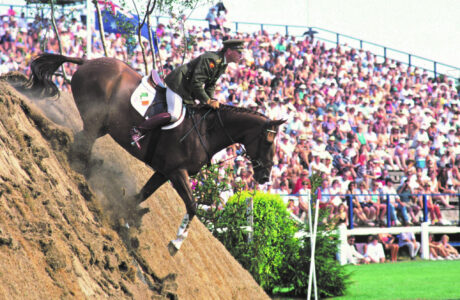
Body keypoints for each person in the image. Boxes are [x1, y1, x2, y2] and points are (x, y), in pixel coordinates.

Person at [130, 39, 245, 148]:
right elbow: (197, 82)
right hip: (178, 85)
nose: (241, 55)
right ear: (229, 51)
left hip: (187, 91)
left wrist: (212, 99)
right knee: (174, 114)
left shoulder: (222, 63)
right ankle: (139, 130)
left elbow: (211, 84)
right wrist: (207, 100)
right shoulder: (212, 59)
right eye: (239, 52)